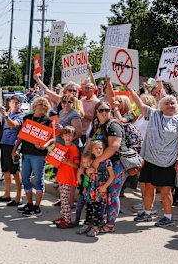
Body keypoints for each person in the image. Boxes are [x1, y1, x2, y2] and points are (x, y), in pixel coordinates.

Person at [131, 93, 178, 227]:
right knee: (148, 188)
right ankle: (147, 213)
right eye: (167, 103)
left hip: (167, 161)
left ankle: (168, 217)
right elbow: (139, 104)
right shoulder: (154, 114)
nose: (170, 105)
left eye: (172, 103)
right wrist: (129, 88)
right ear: (160, 106)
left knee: (165, 191)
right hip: (150, 159)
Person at [83, 92, 127, 234]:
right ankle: (98, 222)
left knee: (112, 194)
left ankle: (110, 224)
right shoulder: (96, 126)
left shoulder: (113, 125)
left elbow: (114, 146)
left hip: (115, 165)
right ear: (96, 112)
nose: (104, 112)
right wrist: (87, 164)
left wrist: (97, 160)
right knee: (100, 194)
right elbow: (89, 146)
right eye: (101, 110)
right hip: (98, 166)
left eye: (107, 110)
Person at [12, 97, 54, 216]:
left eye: (45, 105)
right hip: (26, 152)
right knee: (25, 178)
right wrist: (15, 149)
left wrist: (44, 145)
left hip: (39, 155)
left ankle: (37, 207)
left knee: (38, 180)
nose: (42, 107)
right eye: (40, 104)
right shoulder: (27, 118)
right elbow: (21, 136)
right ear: (34, 106)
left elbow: (53, 138)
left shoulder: (48, 120)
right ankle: (29, 204)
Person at [77, 141, 115, 237]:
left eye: (100, 148)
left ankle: (95, 228)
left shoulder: (107, 162)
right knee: (89, 208)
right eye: (96, 148)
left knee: (98, 209)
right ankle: (87, 225)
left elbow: (112, 176)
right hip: (91, 189)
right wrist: (87, 171)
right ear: (92, 151)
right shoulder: (91, 160)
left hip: (100, 189)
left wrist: (105, 186)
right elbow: (86, 173)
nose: (98, 150)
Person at [0, 95, 24, 207]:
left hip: (13, 146)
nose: (14, 104)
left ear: (20, 105)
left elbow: (13, 125)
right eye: (12, 102)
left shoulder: (20, 115)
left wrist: (5, 116)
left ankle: (18, 197)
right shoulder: (8, 114)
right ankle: (7, 194)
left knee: (15, 172)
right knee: (6, 170)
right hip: (4, 145)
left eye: (17, 103)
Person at [53, 127, 80, 229]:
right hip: (62, 176)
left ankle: (67, 221)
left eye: (70, 135)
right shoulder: (61, 148)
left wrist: (67, 162)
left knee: (65, 201)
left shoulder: (74, 149)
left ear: (73, 137)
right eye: (66, 135)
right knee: (63, 199)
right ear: (62, 136)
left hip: (68, 177)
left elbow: (77, 165)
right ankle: (63, 218)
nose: (68, 137)